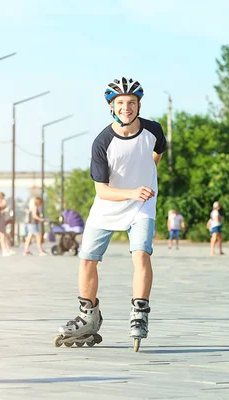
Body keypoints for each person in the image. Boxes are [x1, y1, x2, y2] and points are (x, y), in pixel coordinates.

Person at [56, 77, 166, 350]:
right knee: (87, 260)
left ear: (138, 105)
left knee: (141, 253)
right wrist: (132, 191)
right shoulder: (102, 142)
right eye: (120, 103)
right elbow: (102, 191)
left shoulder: (153, 130)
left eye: (131, 102)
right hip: (109, 204)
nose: (126, 108)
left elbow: (157, 152)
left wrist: (148, 177)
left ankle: (139, 311)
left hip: (142, 204)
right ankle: (88, 316)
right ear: (112, 107)